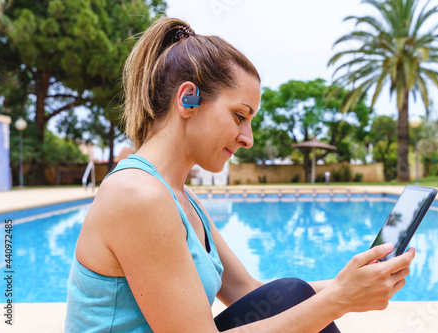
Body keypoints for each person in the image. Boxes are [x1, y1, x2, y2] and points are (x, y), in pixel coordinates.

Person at [64, 17, 415, 333]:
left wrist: (347, 286)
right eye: (238, 116)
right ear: (188, 99)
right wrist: (338, 300)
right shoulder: (137, 196)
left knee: (289, 291)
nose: (248, 139)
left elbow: (250, 293)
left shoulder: (182, 199)